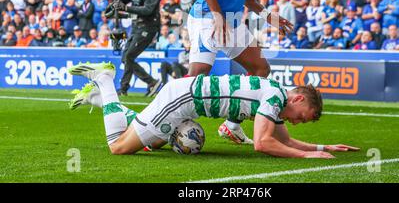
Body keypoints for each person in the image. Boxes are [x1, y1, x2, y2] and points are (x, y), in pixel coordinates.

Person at [68, 62, 359, 158]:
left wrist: (322, 145)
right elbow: (262, 143)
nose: (296, 123)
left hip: (186, 102)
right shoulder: (274, 98)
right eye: (301, 118)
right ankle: (106, 84)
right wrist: (307, 155)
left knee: (154, 142)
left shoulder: (276, 95)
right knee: (117, 147)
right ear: (297, 101)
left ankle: (101, 100)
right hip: (180, 101)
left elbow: (283, 140)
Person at [187, 0, 293, 144]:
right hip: (207, 17)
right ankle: (160, 127)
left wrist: (266, 14)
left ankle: (231, 126)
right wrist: (216, 14)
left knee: (260, 69)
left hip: (232, 20)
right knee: (196, 78)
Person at [112, 0, 164, 97]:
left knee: (129, 56)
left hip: (148, 27)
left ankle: (124, 88)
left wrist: (126, 8)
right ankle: (151, 82)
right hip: (136, 26)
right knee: (126, 58)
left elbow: (148, 10)